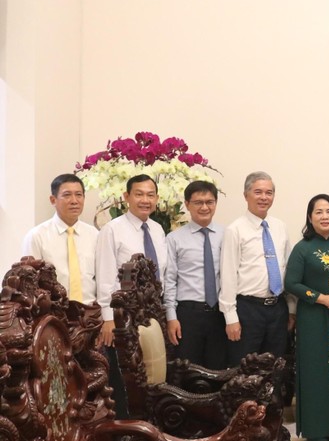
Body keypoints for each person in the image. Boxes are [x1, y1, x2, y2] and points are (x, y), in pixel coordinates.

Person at [285, 194, 329, 441]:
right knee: (316, 371)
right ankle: (317, 431)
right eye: (318, 212)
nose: (324, 216)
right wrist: (323, 298)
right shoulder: (302, 248)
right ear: (310, 217)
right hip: (313, 316)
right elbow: (291, 283)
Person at [96, 174, 167, 418]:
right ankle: (126, 427)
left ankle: (151, 423)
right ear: (126, 197)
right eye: (139, 194)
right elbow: (105, 276)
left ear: (157, 198)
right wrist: (108, 318)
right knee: (126, 375)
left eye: (150, 194)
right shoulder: (112, 230)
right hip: (123, 316)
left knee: (152, 371)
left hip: (153, 314)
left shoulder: (158, 230)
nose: (145, 200)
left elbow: (163, 274)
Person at [219, 171, 296, 367]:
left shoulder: (279, 227)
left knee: (275, 368)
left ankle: (270, 400)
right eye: (258, 192)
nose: (264, 197)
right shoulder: (235, 229)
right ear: (246, 195)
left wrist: (291, 309)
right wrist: (230, 317)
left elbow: (287, 269)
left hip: (277, 309)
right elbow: (228, 275)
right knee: (245, 370)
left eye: (269, 193)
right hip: (247, 310)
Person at [163, 181, 226, 370]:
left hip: (220, 315)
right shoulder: (174, 239)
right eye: (198, 202)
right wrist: (171, 317)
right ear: (187, 204)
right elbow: (170, 280)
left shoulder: (228, 235)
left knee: (219, 369)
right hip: (188, 315)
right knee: (188, 371)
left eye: (210, 201)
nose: (205, 207)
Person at [22, 173, 98, 305]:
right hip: (54, 314)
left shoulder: (95, 234)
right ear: (53, 200)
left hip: (90, 312)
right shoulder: (37, 236)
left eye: (79, 195)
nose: (74, 201)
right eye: (67, 195)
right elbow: (29, 283)